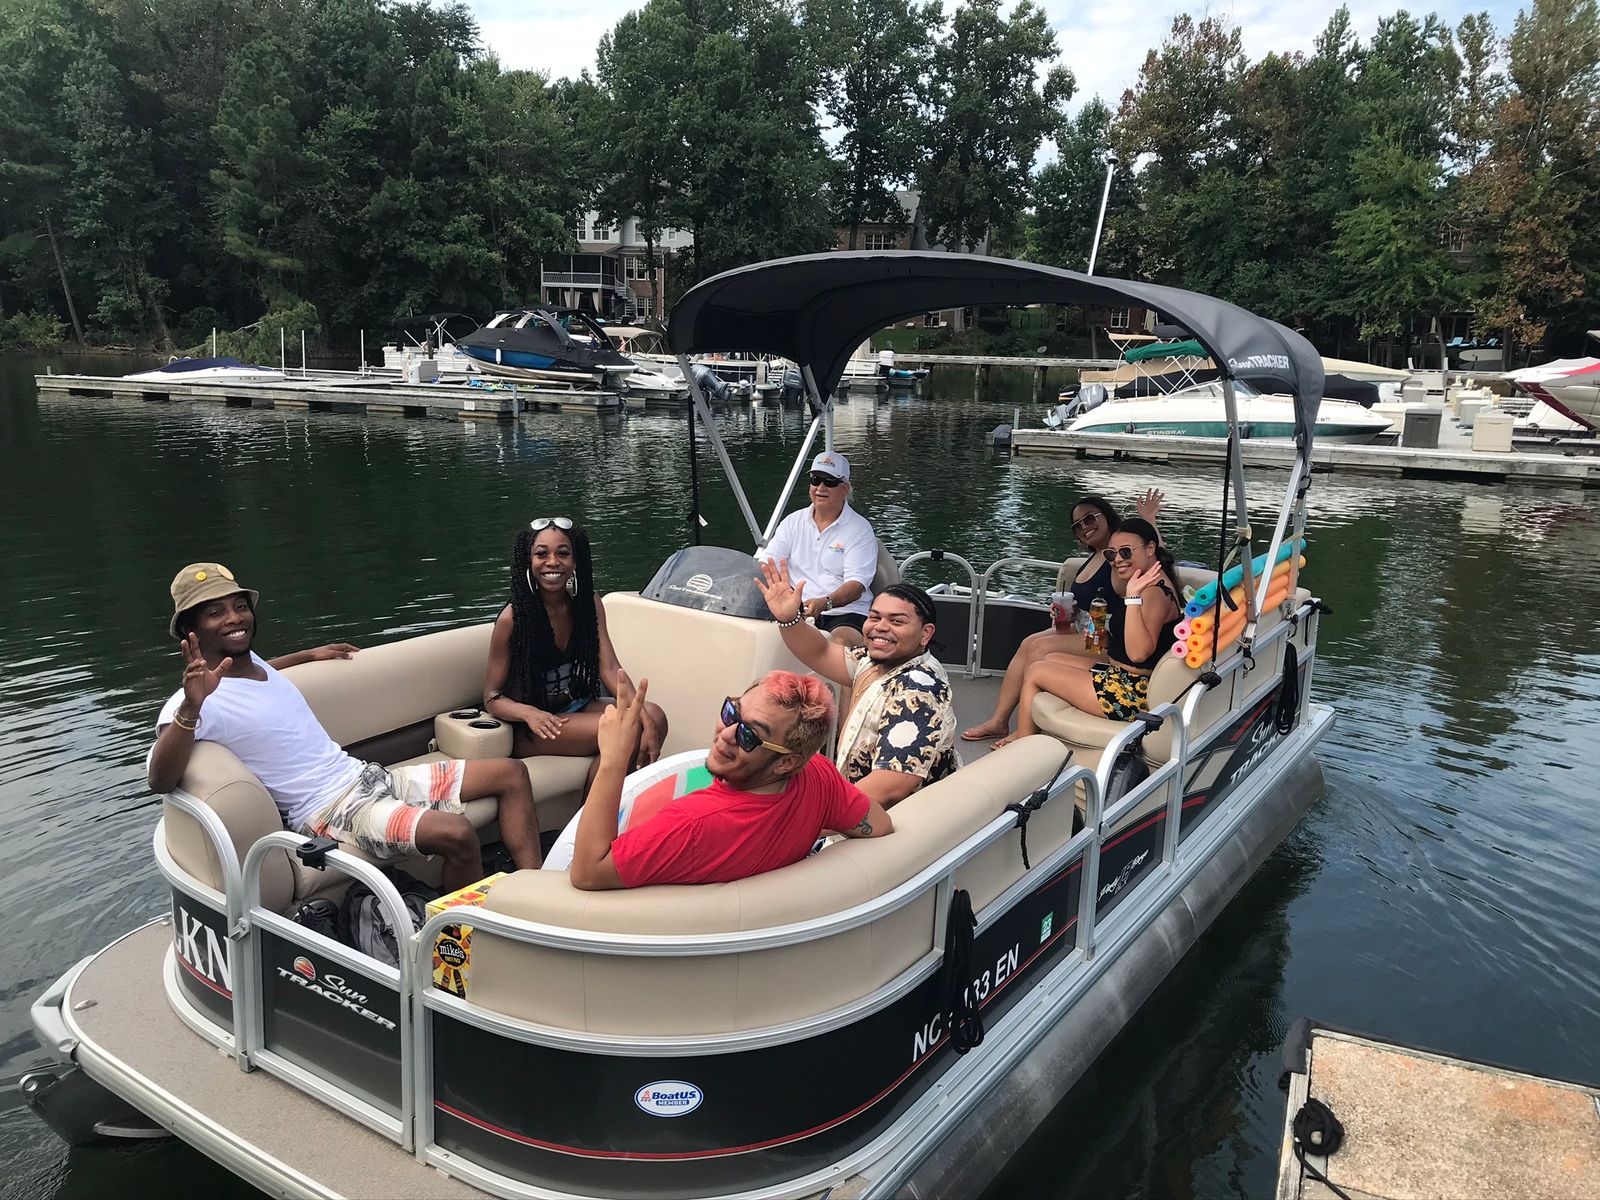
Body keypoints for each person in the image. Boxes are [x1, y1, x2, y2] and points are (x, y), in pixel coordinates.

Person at [148, 563, 541, 892]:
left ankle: (533, 890)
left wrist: (309, 655)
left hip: (367, 777)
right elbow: (160, 779)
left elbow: (267, 671)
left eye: (239, 606)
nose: (235, 618)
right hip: (331, 810)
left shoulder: (253, 666)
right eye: (216, 613)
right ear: (191, 631)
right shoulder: (197, 700)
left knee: (511, 774)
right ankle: (459, 938)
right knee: (455, 833)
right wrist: (191, 706)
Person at [567, 671, 893, 889]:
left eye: (750, 735)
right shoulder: (819, 775)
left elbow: (587, 872)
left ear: (787, 762)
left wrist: (614, 759)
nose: (726, 734)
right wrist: (806, 825)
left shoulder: (692, 824)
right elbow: (878, 824)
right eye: (731, 713)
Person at [962, 489, 1163, 742]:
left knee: (1040, 650)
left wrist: (1149, 521)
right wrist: (1071, 612)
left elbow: (1156, 560)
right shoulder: (1097, 556)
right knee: (1029, 643)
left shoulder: (1119, 559)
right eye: (1077, 526)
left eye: (1089, 519)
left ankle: (1025, 729)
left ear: (1107, 516)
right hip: (1084, 627)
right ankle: (999, 721)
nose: (1084, 527)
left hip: (1103, 637)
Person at [756, 561, 957, 807]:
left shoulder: (919, 692)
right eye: (874, 617)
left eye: (896, 621)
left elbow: (891, 786)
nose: (880, 626)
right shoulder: (871, 661)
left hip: (892, 818)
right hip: (856, 803)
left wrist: (814, 815)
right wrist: (789, 618)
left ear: (925, 633)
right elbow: (820, 652)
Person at [483, 518, 667, 766]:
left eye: (563, 553)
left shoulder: (587, 603)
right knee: (626, 730)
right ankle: (597, 795)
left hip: (575, 706)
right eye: (541, 554)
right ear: (528, 561)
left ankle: (617, 790)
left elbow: (609, 668)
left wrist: (644, 716)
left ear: (575, 560)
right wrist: (529, 713)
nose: (552, 562)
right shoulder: (513, 619)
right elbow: (492, 697)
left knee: (655, 717)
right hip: (532, 726)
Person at [1001, 517, 1182, 745]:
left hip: (1133, 692)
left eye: (1126, 552)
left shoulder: (1153, 593)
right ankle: (1032, 733)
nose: (1118, 560)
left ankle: (1024, 745)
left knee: (1037, 672)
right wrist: (1103, 636)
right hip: (1121, 675)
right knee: (1049, 658)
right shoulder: (1149, 584)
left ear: (1150, 549)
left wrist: (1133, 597)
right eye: (1111, 554)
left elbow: (1138, 654)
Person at [761, 451, 878, 639]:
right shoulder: (792, 521)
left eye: (830, 481)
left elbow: (856, 586)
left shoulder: (860, 529)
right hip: (794, 608)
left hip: (845, 612)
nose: (820, 487)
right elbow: (767, 563)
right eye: (815, 480)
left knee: (840, 643)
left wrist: (825, 602)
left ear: (845, 488)